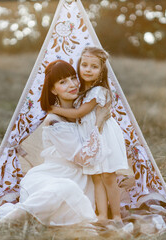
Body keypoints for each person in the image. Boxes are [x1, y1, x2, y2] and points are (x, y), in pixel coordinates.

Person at [0, 60, 110, 226]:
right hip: (51, 178)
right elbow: (84, 158)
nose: (72, 85)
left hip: (81, 183)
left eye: (73, 78)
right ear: (53, 89)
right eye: (63, 82)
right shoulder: (53, 121)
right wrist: (98, 124)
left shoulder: (85, 113)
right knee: (65, 187)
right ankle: (3, 224)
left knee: (72, 194)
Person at [50, 46, 129, 223]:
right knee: (96, 178)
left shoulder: (98, 91)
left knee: (108, 176)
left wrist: (53, 108)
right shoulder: (80, 93)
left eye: (94, 66)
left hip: (103, 137)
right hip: (90, 139)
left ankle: (116, 215)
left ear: (101, 71)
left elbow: (79, 114)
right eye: (84, 65)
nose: (88, 69)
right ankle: (101, 215)